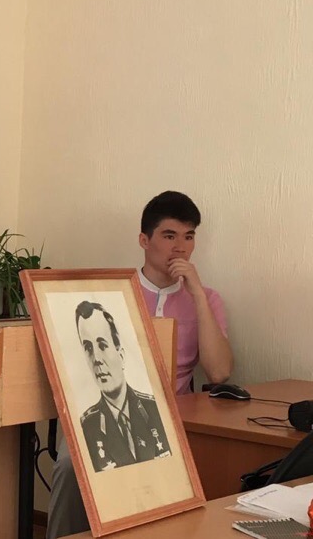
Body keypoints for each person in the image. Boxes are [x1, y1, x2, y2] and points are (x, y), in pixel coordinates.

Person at [47, 191, 231, 538]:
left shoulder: (206, 299)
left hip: (175, 420)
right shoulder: (109, 293)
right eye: (169, 236)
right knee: (72, 465)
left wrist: (196, 295)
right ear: (144, 240)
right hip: (105, 413)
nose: (181, 248)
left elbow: (220, 372)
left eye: (189, 237)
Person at [75, 300, 171, 472]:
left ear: (121, 355)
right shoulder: (87, 426)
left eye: (103, 345)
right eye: (88, 348)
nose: (97, 359)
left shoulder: (155, 411)